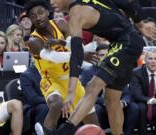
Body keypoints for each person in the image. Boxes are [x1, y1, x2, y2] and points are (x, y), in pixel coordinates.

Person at [48, 0, 156, 135]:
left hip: (126, 43)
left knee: (92, 86)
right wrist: (139, 23)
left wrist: (71, 91)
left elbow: (76, 54)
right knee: (112, 100)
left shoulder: (75, 14)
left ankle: (63, 131)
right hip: (124, 42)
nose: (51, 2)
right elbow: (126, 4)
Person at [24, 0, 100, 135]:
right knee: (56, 103)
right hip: (51, 80)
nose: (38, 17)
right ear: (30, 19)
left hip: (71, 80)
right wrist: (79, 56)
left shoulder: (61, 25)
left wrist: (61, 42)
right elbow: (53, 57)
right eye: (33, 16)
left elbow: (76, 46)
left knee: (94, 126)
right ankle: (46, 132)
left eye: (40, 13)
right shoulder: (33, 41)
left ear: (48, 12)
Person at [129, 47, 156, 135]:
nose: (153, 61)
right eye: (150, 58)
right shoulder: (136, 73)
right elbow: (136, 95)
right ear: (145, 60)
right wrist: (155, 100)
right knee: (141, 108)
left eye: (155, 58)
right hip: (141, 102)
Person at [20, 64, 49, 129]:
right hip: (34, 106)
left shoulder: (53, 72)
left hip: (50, 101)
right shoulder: (26, 75)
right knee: (45, 107)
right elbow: (33, 99)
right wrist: (52, 100)